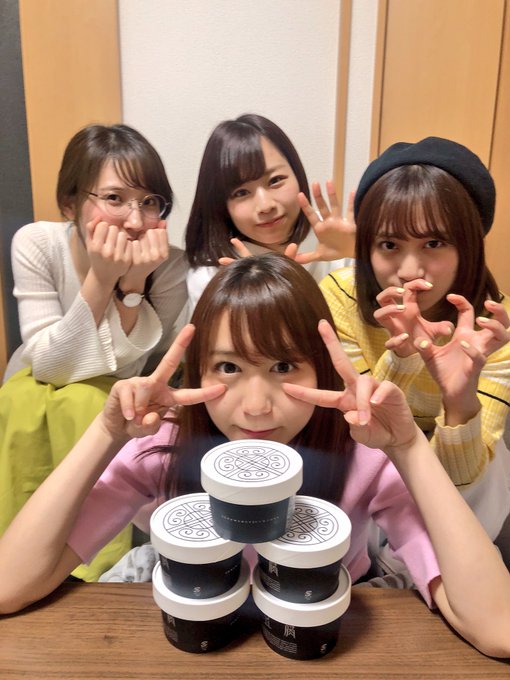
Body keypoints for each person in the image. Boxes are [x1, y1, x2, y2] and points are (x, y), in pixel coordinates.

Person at [1, 253, 509, 659]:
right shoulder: (164, 448)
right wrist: (106, 432)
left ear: (321, 368)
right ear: (198, 370)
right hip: (185, 634)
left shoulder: (361, 456)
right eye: (228, 367)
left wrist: (408, 446)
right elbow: (8, 585)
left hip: (321, 639)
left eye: (284, 366)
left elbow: (498, 627)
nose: (257, 407)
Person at [0, 124, 188, 579]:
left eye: (149, 202)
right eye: (114, 198)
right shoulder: (36, 243)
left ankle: (91, 568)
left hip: (121, 392)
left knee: (89, 399)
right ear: (70, 204)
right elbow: (50, 366)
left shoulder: (169, 265)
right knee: (25, 399)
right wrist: (102, 280)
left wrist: (133, 285)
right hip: (35, 383)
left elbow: (130, 367)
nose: (135, 220)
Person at [319, 137, 510, 549]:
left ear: (469, 244)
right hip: (375, 442)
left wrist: (459, 401)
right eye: (389, 245)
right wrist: (402, 355)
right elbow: (364, 426)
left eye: (433, 243)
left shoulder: (494, 330)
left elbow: (463, 482)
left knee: (491, 478)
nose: (409, 271)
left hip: (458, 469)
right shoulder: (342, 296)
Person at [184, 113, 355, 312]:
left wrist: (358, 254)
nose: (265, 206)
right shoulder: (212, 277)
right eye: (241, 193)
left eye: (275, 180)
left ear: (297, 173)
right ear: (221, 205)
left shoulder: (332, 236)